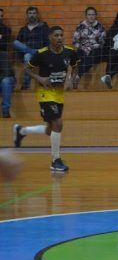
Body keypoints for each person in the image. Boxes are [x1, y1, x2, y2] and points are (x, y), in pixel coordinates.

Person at [12, 26, 79, 172]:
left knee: (51, 129)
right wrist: (40, 78)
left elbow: (75, 67)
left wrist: (70, 79)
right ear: (50, 37)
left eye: (61, 35)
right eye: (56, 35)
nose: (60, 38)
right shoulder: (41, 54)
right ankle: (56, 161)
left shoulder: (70, 52)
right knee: (58, 123)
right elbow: (27, 68)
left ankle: (21, 131)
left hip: (59, 93)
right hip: (45, 93)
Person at [12, 6, 50, 90]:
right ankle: (26, 85)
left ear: (37, 15)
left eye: (34, 13)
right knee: (16, 44)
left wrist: (43, 52)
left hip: (40, 52)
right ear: (27, 15)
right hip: (28, 53)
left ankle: (25, 84)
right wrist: (22, 55)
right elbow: (19, 45)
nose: (32, 15)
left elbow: (48, 42)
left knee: (27, 56)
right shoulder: (23, 29)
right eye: (30, 13)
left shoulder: (43, 27)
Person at [72, 7, 106, 85]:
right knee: (79, 56)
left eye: (93, 14)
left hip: (95, 49)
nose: (91, 16)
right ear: (86, 16)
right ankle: (76, 77)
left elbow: (102, 42)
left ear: (95, 16)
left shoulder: (100, 26)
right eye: (89, 14)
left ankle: (78, 76)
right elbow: (75, 41)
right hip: (82, 48)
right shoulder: (80, 26)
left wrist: (92, 47)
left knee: (92, 56)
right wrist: (83, 47)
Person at [0, 9, 14, 117]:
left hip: (4, 78)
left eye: (1, 16)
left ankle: (5, 110)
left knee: (6, 81)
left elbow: (3, 43)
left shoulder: (6, 29)